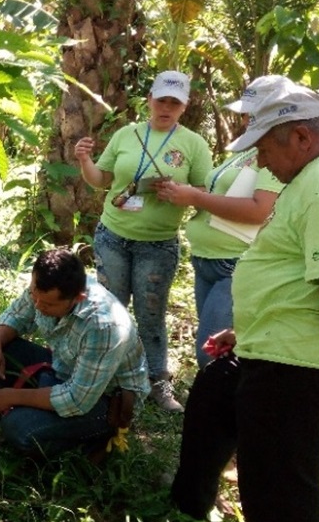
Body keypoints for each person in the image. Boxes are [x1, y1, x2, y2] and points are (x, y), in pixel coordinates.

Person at [171, 78, 319, 521]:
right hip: (272, 344)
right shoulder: (310, 177)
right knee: (213, 396)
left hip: (296, 364)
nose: (261, 161)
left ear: (302, 137)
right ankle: (188, 506)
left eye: (264, 149)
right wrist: (247, 328)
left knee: (278, 492)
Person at [74, 70, 213, 411]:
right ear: (149, 100)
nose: (166, 107)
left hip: (159, 242)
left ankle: (157, 382)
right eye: (161, 100)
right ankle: (108, 377)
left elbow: (206, 192)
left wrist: (181, 194)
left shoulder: (194, 144)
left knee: (151, 314)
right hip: (113, 237)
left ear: (184, 106)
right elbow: (101, 180)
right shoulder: (127, 134)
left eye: (174, 103)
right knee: (110, 310)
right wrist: (84, 159)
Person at [156, 76, 284, 368]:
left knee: (212, 351)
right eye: (244, 111)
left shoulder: (272, 155)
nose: (245, 118)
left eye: (253, 112)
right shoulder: (246, 150)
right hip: (207, 260)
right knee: (215, 346)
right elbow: (222, 193)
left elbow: (259, 210)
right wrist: (185, 193)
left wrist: (195, 198)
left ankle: (221, 411)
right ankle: (218, 408)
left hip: (234, 262)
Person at [0, 249, 150, 459]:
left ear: (78, 298)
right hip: (63, 369)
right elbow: (16, 316)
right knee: (2, 349)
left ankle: (95, 437)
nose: (38, 306)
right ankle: (34, 405)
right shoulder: (45, 286)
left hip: (103, 399)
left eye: (49, 304)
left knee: (18, 429)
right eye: (34, 295)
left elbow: (76, 400)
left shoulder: (104, 326)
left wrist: (13, 396)